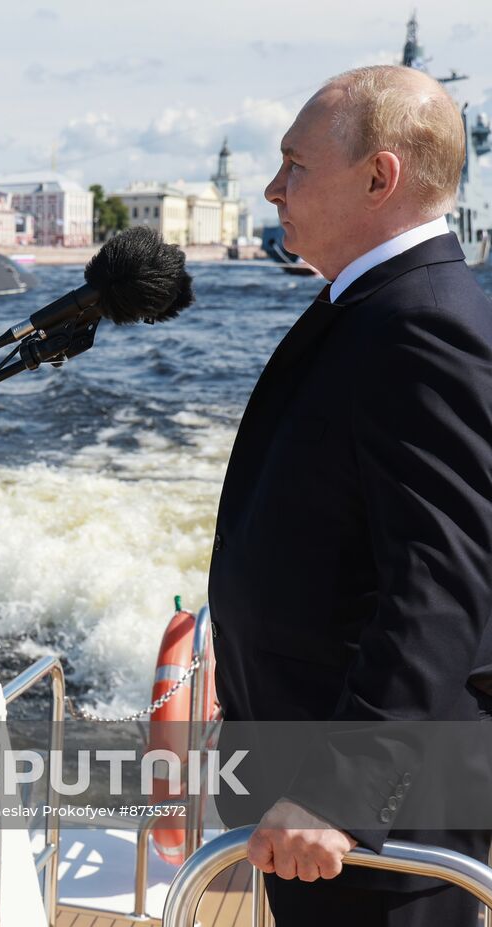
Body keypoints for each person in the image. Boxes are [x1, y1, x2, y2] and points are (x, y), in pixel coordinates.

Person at [209, 65, 492, 925]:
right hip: (315, 805)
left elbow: (443, 584)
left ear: (380, 177)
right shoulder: (368, 305)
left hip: (376, 831)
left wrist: (341, 788)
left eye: (295, 164)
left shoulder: (420, 322)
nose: (272, 187)